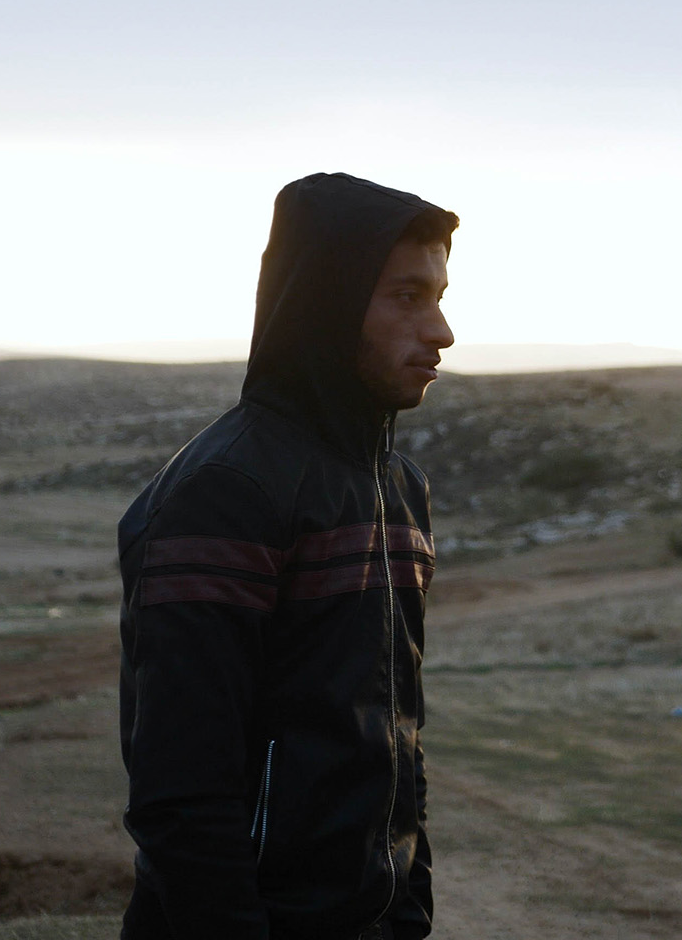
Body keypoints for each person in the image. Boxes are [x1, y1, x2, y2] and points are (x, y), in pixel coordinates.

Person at [116, 173, 457, 940]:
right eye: (407, 297)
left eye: (439, 295)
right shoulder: (227, 491)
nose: (441, 331)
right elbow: (181, 793)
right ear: (328, 302)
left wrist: (409, 907)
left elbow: (397, 737)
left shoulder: (398, 488)